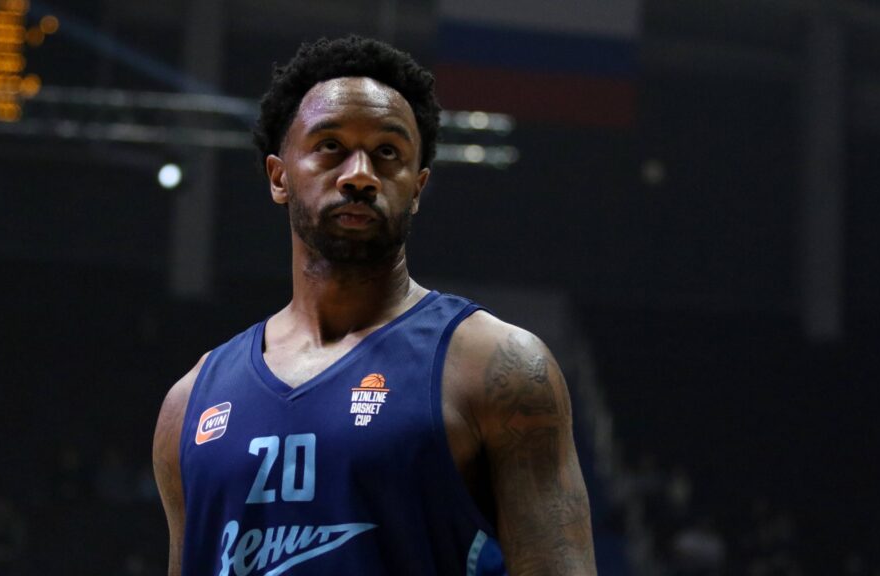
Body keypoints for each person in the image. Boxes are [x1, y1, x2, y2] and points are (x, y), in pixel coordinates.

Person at [153, 35, 597, 576]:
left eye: (388, 153)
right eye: (330, 146)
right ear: (279, 177)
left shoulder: (498, 368)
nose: (360, 174)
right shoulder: (189, 404)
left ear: (417, 187)